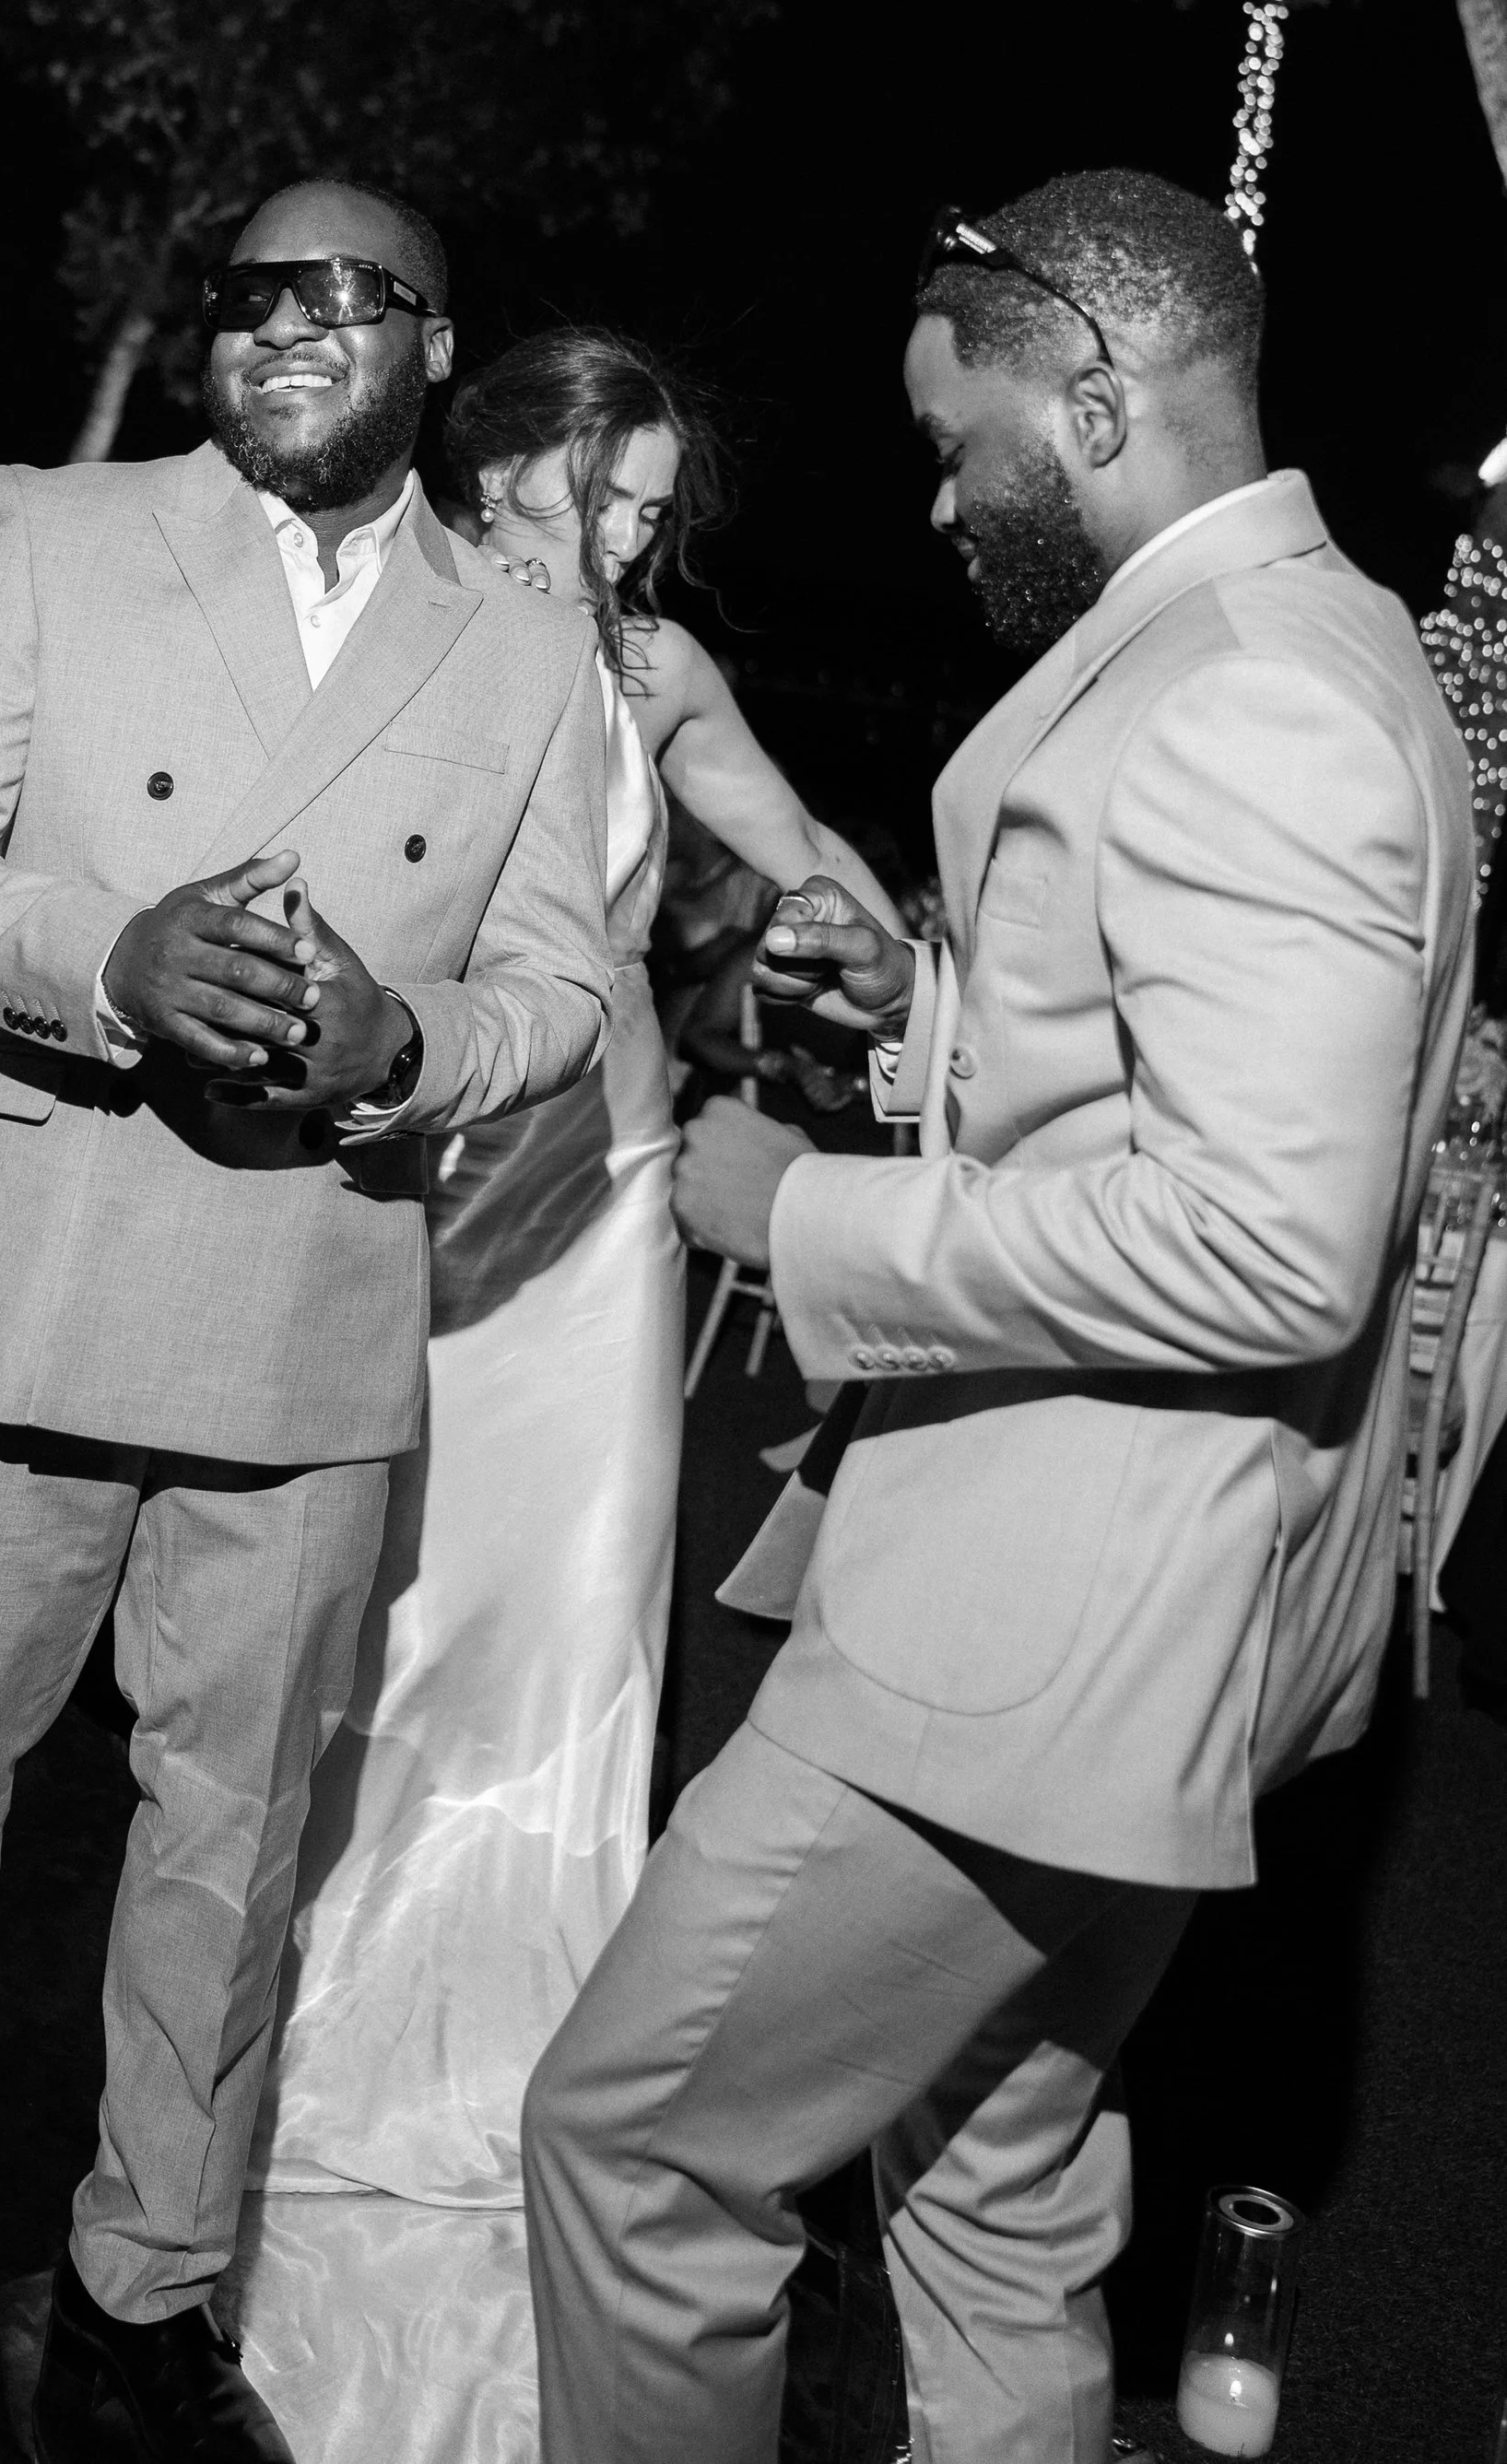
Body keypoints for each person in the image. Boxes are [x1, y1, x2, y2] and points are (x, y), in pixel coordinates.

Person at [521, 170, 1474, 2463]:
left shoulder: (1257, 695)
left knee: (635, 2154)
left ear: (1095, 389)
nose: (937, 503)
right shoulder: (1294, 648)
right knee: (987, 2181)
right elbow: (1157, 1072)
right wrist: (926, 1022)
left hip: (1050, 1636)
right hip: (1151, 1627)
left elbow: (1268, 1241)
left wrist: (810, 1216)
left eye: (960, 446)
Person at [0, 184, 614, 2464]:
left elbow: (563, 991)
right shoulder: (57, 524)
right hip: (31, 1269)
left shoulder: (522, 642)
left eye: (350, 297)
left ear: (433, 347)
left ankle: (147, 2294)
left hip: (305, 1298)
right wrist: (104, 959)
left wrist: (407, 1047)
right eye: (252, 295)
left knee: (228, 1840)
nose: (290, 329)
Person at [234, 328, 902, 2461]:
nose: (630, 536)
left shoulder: (655, 669)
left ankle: (546, 2024)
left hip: (601, 1201)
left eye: (652, 512)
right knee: (393, 1590)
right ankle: (304, 2009)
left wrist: (875, 959)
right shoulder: (384, 616)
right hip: (418, 1188)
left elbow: (792, 843)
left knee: (577, 1613)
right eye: (608, 493)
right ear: (509, 455)